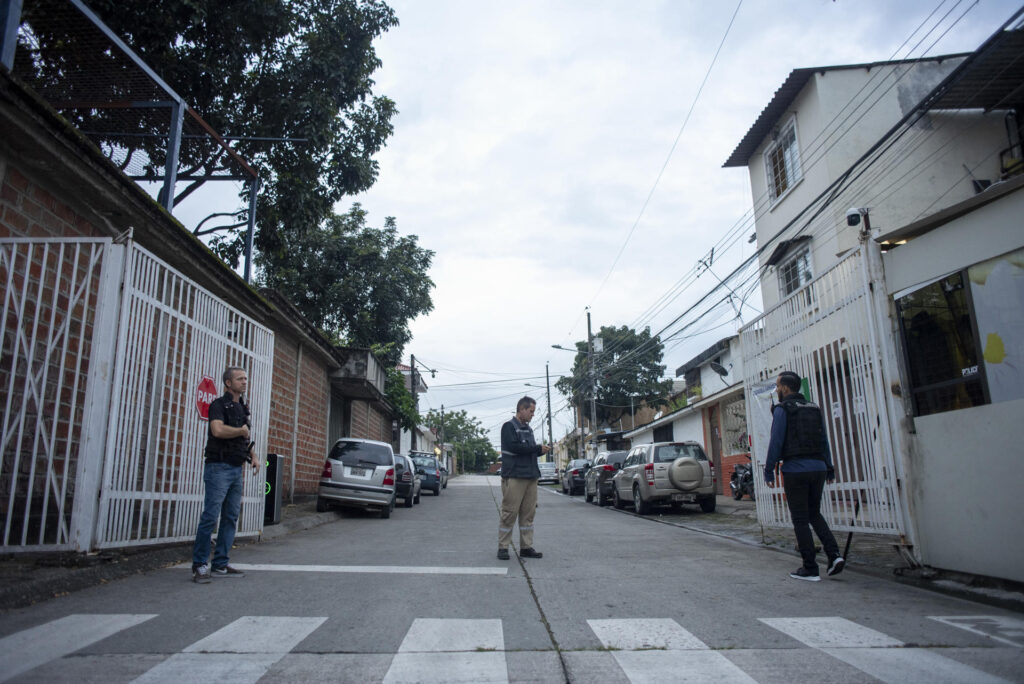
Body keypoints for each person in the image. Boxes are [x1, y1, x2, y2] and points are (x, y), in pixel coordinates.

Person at [763, 371, 845, 581]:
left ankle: (810, 568)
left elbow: (776, 441)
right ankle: (834, 555)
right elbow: (824, 440)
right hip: (818, 468)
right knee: (814, 513)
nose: (777, 390)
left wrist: (769, 470)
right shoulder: (813, 407)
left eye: (778, 386)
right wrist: (829, 467)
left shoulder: (783, 409)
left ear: (785, 388)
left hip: (796, 469)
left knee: (800, 518)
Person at [191, 366, 259, 583]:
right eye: (240, 379)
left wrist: (253, 456)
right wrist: (241, 431)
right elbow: (217, 430)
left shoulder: (242, 407)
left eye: (246, 378)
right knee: (211, 517)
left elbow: (244, 438)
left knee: (230, 517)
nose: (244, 382)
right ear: (228, 383)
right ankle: (200, 565)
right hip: (218, 467)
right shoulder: (218, 405)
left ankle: (220, 563)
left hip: (236, 468)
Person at [497, 396, 551, 560]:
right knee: (509, 513)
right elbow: (515, 447)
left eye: (533, 412)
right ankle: (503, 547)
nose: (532, 414)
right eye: (531, 411)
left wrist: (540, 450)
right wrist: (536, 448)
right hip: (515, 476)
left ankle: (526, 547)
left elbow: (528, 450)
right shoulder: (509, 427)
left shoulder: (529, 430)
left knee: (528, 514)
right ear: (521, 409)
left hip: (530, 476)